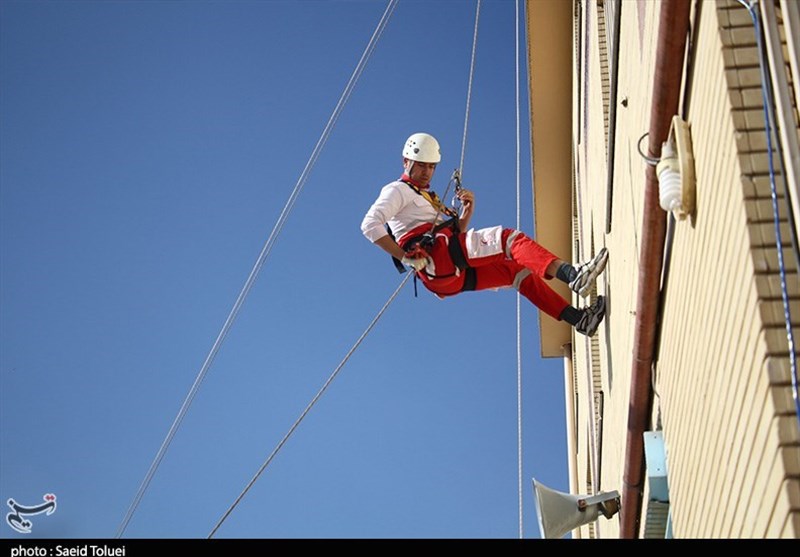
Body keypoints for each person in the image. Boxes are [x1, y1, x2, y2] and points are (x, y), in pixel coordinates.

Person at [360, 132, 608, 337]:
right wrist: (405, 257)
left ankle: (580, 320)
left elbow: (459, 239)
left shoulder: (425, 197)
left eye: (431, 167)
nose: (426, 172)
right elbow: (370, 224)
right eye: (421, 165)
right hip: (438, 259)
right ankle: (575, 275)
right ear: (406, 162)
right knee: (509, 239)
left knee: (517, 273)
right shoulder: (398, 190)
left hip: (447, 275)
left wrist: (468, 211)